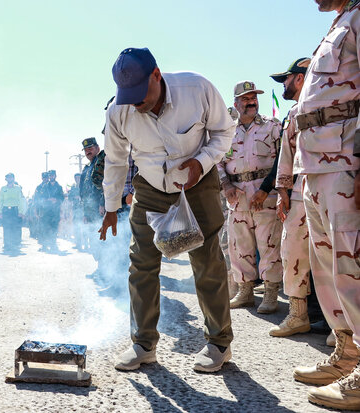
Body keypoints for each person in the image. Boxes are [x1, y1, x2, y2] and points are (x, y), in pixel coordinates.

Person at [99, 47, 234, 372]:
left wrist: (200, 164)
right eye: (127, 96)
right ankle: (143, 344)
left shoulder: (196, 89)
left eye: (140, 95)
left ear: (156, 75)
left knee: (207, 262)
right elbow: (116, 161)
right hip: (150, 187)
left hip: (197, 182)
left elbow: (224, 132)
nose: (135, 104)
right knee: (142, 264)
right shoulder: (119, 111)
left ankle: (219, 343)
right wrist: (110, 207)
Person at [290, 1, 360, 409]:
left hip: (346, 159)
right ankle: (349, 353)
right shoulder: (340, 22)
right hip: (315, 163)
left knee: (353, 263)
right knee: (328, 264)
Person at [217, 81, 283, 314]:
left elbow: (282, 159)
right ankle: (245, 292)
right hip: (237, 197)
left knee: (269, 245)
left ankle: (271, 293)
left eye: (253, 97)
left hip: (265, 194)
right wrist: (226, 185)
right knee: (239, 246)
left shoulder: (272, 125)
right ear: (236, 103)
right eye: (245, 98)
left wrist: (267, 188)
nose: (251, 101)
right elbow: (218, 162)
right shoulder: (226, 132)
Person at [265, 58, 313, 337]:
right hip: (298, 191)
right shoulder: (294, 113)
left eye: (286, 77)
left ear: (299, 78)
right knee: (292, 250)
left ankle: (341, 328)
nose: (283, 83)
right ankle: (298, 316)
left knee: (332, 256)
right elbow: (287, 154)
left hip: (331, 184)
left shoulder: (334, 102)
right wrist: (282, 191)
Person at [80, 138, 106, 250]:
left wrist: (103, 203)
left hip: (101, 208)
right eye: (85, 150)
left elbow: (108, 184)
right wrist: (85, 213)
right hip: (90, 210)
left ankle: (105, 266)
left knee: (103, 238)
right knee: (94, 240)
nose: (87, 152)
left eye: (90, 148)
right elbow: (83, 193)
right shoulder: (86, 168)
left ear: (98, 148)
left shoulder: (102, 161)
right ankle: (100, 264)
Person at [0, 172, 26, 251]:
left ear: (13, 178)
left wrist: (21, 212)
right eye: (8, 177)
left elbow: (21, 200)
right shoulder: (3, 188)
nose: (10, 179)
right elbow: (1, 200)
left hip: (15, 210)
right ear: (6, 179)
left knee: (15, 228)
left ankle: (16, 244)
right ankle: (7, 244)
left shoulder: (18, 188)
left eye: (11, 177)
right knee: (6, 228)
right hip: (6, 210)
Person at [39, 170, 64, 251]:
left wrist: (56, 199)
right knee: (45, 228)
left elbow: (62, 198)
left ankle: (53, 244)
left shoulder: (59, 187)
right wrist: (48, 199)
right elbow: (41, 198)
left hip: (55, 211)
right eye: (50, 175)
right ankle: (45, 245)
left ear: (55, 176)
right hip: (46, 211)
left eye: (52, 175)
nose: (51, 177)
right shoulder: (45, 187)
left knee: (54, 228)